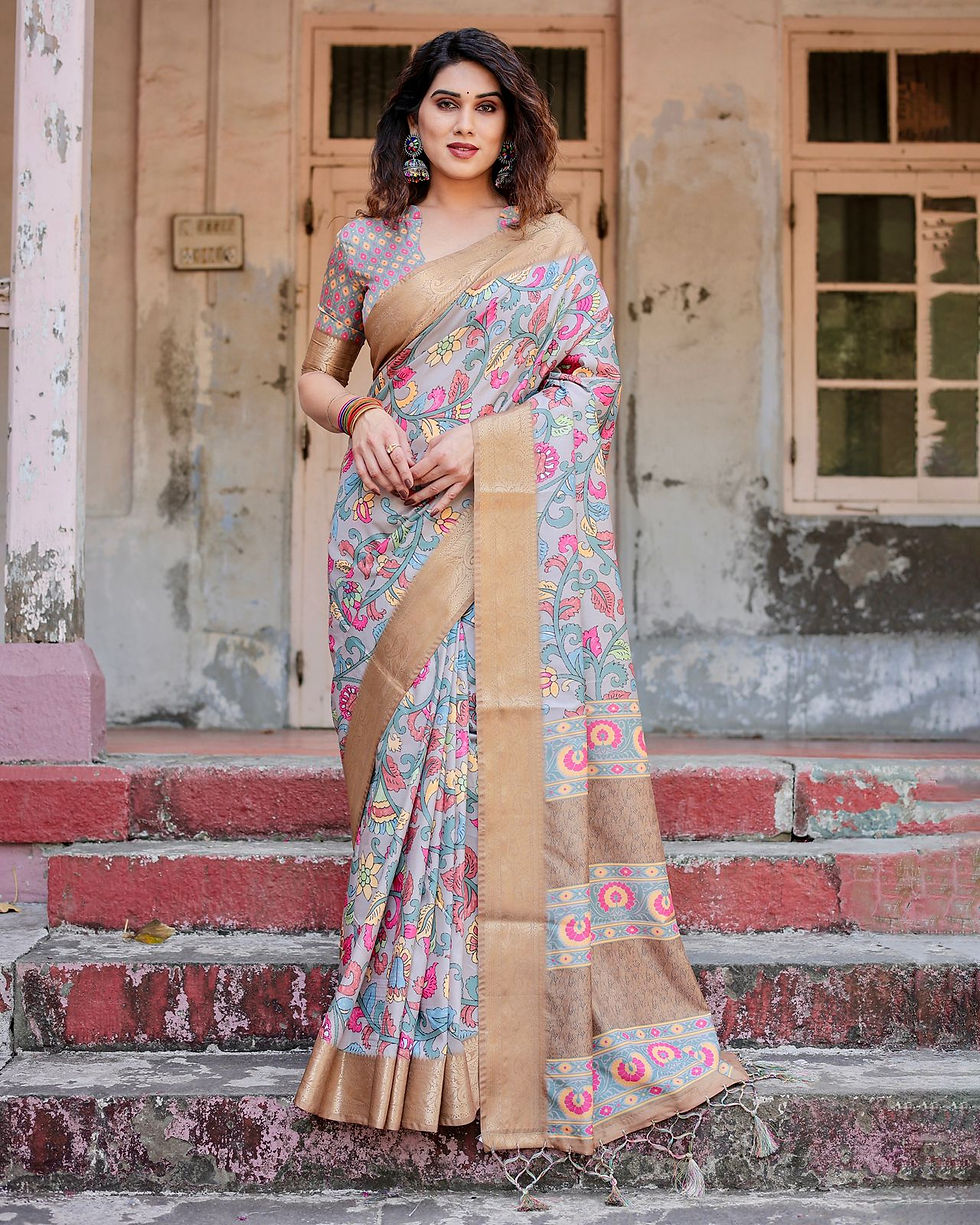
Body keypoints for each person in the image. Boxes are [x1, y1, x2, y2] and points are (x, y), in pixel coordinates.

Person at [293, 27, 775, 1202]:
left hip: (503, 528)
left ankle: (504, 1049)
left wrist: (481, 441)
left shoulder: (548, 247)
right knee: (416, 772)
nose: (463, 124)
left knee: (496, 773)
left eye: (486, 108)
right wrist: (362, 420)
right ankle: (410, 1052)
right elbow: (313, 373)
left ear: (512, 127)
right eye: (443, 104)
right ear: (411, 120)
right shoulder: (365, 242)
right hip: (387, 535)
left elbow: (589, 383)